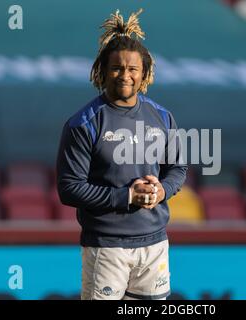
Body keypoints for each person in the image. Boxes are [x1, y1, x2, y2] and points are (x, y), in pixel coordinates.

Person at [56, 9, 187, 300]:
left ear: (144, 73)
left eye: (132, 69)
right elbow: (69, 189)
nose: (124, 75)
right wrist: (127, 196)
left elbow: (177, 168)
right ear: (102, 71)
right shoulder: (83, 123)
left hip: (154, 245)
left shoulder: (162, 117)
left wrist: (161, 191)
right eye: (116, 68)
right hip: (106, 247)